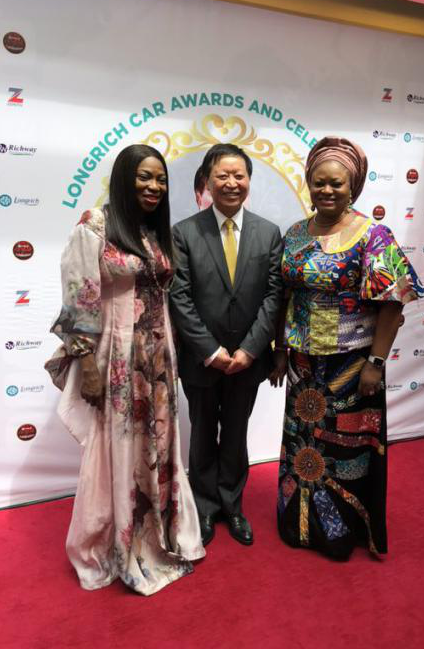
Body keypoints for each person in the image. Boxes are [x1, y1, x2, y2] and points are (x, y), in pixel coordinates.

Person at [45, 144, 204, 595]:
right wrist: (86, 364)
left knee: (158, 442)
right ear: (123, 178)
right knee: (117, 446)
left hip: (159, 355)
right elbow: (79, 299)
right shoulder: (95, 225)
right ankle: (116, 538)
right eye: (143, 177)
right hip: (116, 357)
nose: (154, 186)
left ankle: (159, 534)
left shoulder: (154, 230)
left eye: (160, 179)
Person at [270, 136, 424, 559]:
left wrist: (376, 361)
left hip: (352, 363)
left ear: (352, 186)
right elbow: (284, 296)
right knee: (303, 442)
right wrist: (280, 349)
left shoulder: (373, 235)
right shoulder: (295, 233)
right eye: (318, 182)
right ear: (308, 183)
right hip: (304, 363)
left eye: (336, 183)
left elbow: (393, 302)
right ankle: (299, 524)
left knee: (345, 448)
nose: (326, 190)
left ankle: (340, 532)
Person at [169, 143, 283, 547]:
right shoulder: (184, 232)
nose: (232, 183)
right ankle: (204, 507)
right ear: (207, 181)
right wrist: (210, 350)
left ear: (249, 180)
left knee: (236, 433)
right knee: (202, 433)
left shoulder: (269, 233)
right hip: (202, 359)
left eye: (239, 175)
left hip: (248, 359)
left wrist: (250, 349)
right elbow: (179, 297)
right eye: (223, 175)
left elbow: (273, 296)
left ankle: (232, 506)